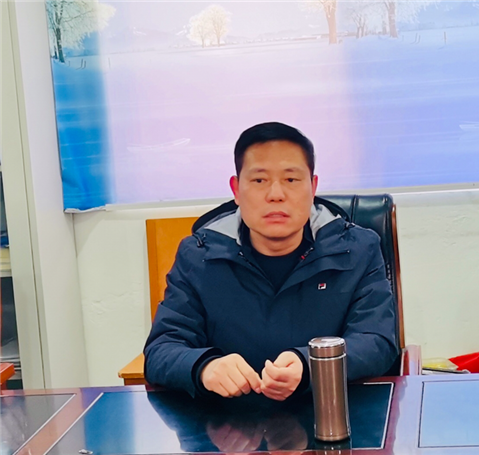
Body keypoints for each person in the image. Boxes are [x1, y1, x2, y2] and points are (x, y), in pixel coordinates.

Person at [144, 122, 398, 400]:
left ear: (313, 186)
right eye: (259, 180)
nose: (276, 194)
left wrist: (310, 364)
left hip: (330, 409)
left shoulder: (356, 250)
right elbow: (161, 350)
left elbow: (377, 342)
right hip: (228, 419)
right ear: (236, 190)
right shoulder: (199, 256)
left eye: (291, 180)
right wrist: (204, 367)